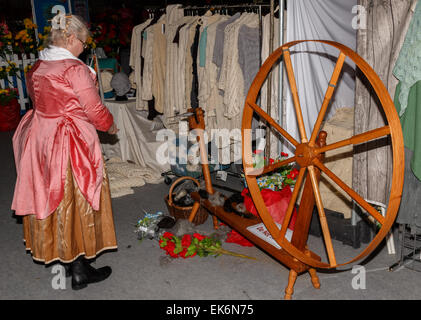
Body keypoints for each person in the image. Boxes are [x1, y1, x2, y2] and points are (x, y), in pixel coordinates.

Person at [11, 13, 118, 290]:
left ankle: (70, 261)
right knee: (77, 199)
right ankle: (80, 268)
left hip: (41, 138)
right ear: (70, 38)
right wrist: (110, 126)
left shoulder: (39, 64)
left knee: (55, 200)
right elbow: (94, 110)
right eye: (82, 41)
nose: (85, 46)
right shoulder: (74, 69)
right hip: (71, 141)